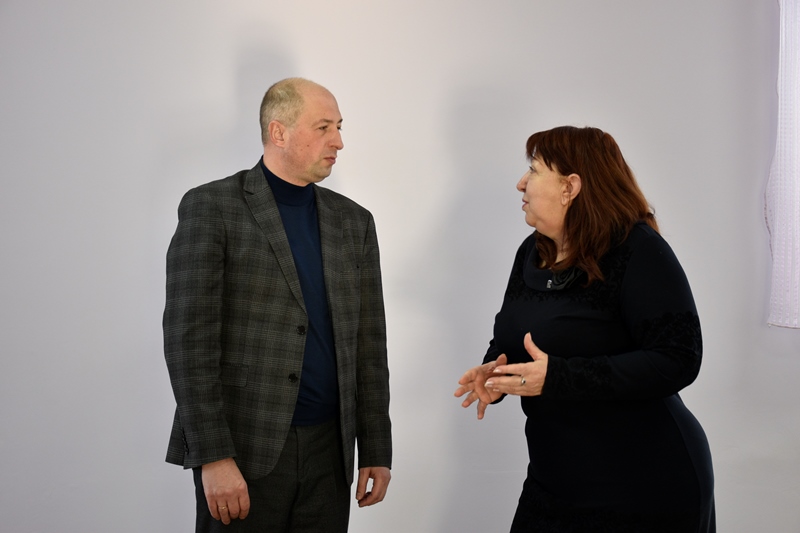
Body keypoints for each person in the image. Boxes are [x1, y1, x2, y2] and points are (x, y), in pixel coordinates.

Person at [454, 126, 715, 532]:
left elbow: (679, 358)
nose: (521, 182)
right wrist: (496, 371)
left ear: (570, 187)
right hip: (554, 481)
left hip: (643, 485)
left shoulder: (638, 250)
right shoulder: (532, 252)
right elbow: (514, 337)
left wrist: (559, 377)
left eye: (534, 170)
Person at [163, 78, 392, 533]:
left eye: (339, 127)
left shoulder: (355, 222)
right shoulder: (212, 207)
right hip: (244, 450)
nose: (339, 141)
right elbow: (189, 343)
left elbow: (368, 344)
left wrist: (376, 447)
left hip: (331, 454)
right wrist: (213, 456)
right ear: (278, 132)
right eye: (324, 127)